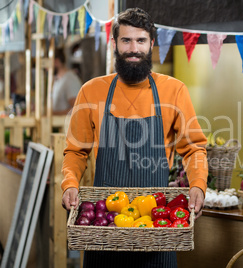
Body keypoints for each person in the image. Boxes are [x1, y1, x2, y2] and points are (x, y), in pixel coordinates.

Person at [61, 7, 208, 268]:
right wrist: (70, 183)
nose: (133, 49)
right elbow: (76, 151)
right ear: (114, 43)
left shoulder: (174, 91)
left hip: (156, 223)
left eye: (140, 41)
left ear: (151, 44)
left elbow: (194, 147)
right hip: (103, 224)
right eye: (126, 40)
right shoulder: (92, 91)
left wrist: (198, 184)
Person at [52, 47, 82, 115]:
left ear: (56, 61)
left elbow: (77, 109)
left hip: (65, 125)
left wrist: (54, 114)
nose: (47, 68)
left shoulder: (70, 79)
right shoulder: (58, 80)